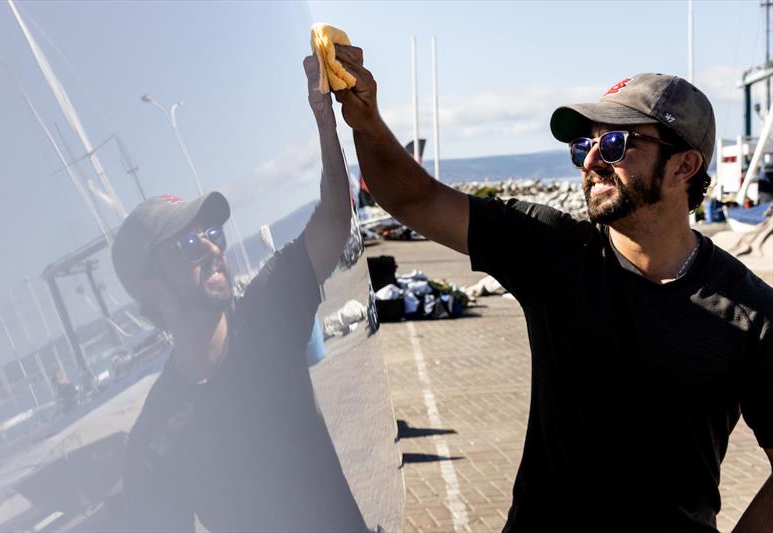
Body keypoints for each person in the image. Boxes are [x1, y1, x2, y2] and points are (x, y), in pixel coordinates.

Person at [331, 45, 773, 533]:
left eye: (615, 146)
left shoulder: (751, 313)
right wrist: (366, 121)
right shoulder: (552, 249)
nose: (591, 163)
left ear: (684, 166)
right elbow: (414, 198)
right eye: (584, 146)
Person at [111, 56, 367, 532]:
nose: (211, 246)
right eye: (188, 244)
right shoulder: (155, 443)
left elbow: (334, 217)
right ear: (151, 289)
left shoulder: (268, 313)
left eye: (212, 233)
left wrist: (323, 113)